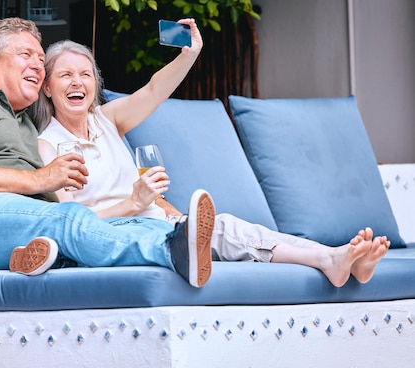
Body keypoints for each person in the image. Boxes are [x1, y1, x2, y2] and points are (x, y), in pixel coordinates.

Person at [33, 21, 390, 288]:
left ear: (95, 84)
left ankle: (336, 258)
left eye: (85, 74)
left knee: (232, 228)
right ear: (47, 87)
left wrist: (189, 54)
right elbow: (73, 224)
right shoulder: (47, 145)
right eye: (65, 75)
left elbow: (155, 90)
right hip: (117, 233)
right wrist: (133, 203)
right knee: (222, 231)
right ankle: (331, 258)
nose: (77, 82)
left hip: (155, 220)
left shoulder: (107, 119)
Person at [0, 17, 216, 289]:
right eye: (25, 55)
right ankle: (170, 251)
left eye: (41, 60)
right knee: (68, 218)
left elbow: (148, 94)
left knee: (143, 222)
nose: (37, 66)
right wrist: (42, 178)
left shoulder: (27, 125)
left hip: (24, 227)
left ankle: (31, 257)